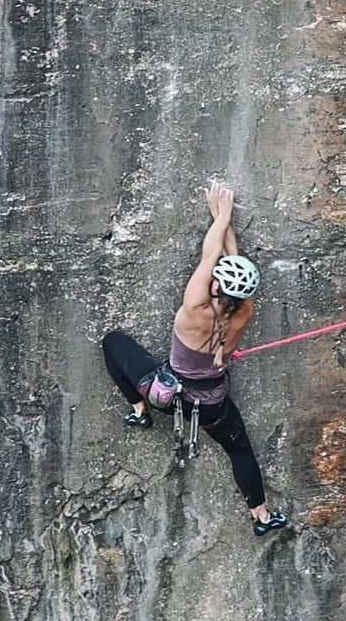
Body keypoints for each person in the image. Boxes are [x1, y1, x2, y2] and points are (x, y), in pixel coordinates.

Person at [102, 179, 288, 537]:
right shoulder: (245, 312)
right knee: (239, 449)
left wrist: (220, 217)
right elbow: (234, 266)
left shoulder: (194, 306)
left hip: (167, 396)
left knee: (113, 343)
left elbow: (211, 256)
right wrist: (227, 221)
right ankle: (262, 516)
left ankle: (139, 411)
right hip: (213, 404)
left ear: (216, 284)